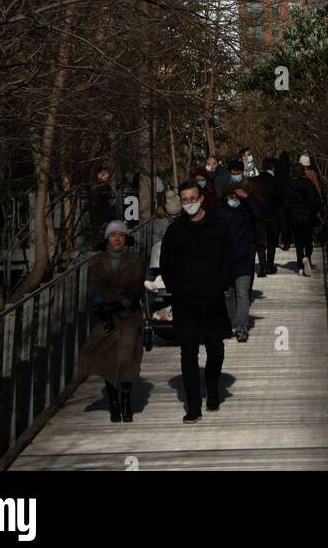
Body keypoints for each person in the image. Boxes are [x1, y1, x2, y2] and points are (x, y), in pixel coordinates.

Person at [159, 180, 234, 422]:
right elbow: (166, 264)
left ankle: (212, 387)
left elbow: (227, 258)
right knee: (188, 353)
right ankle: (193, 405)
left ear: (201, 198)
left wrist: (220, 284)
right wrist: (176, 289)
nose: (189, 203)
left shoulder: (218, 226)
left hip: (212, 300)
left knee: (216, 349)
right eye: (185, 200)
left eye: (193, 198)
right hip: (185, 302)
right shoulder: (175, 230)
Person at [78, 221, 145, 421]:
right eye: (113, 235)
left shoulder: (135, 260)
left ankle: (125, 402)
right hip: (106, 316)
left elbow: (137, 287)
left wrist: (121, 303)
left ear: (126, 238)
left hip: (128, 315)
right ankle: (114, 405)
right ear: (107, 238)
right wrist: (101, 306)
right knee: (108, 359)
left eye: (121, 235)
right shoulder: (98, 261)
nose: (117, 239)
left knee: (126, 358)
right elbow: (95, 286)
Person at [215, 177, 265, 341]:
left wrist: (247, 197)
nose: (234, 199)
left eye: (237, 196)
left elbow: (260, 213)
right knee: (228, 295)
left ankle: (241, 326)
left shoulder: (247, 207)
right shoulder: (219, 209)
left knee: (243, 293)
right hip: (224, 259)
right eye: (232, 196)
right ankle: (233, 324)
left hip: (244, 257)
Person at [284, 165, 321, 276]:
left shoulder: (290, 185)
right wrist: (313, 213)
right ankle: (308, 257)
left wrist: (289, 215)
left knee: (298, 241)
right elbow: (316, 200)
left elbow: (286, 203)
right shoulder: (309, 184)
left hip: (295, 218)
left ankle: (300, 261)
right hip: (308, 217)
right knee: (308, 240)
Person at [257, 157, 282, 274]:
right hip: (273, 214)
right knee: (272, 241)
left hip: (259, 215)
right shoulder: (276, 181)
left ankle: (262, 266)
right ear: (272, 167)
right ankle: (270, 264)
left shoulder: (255, 180)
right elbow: (280, 199)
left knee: (261, 241)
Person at [149, 189, 181, 271]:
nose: (172, 201)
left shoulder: (185, 217)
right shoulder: (159, 220)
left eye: (173, 197)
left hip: (180, 250)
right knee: (157, 248)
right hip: (165, 251)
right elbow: (155, 238)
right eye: (169, 198)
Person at [276, 150, 292, 249]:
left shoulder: (278, 168)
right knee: (289, 221)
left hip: (280, 199)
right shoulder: (289, 168)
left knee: (282, 222)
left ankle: (283, 241)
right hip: (289, 198)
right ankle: (289, 241)